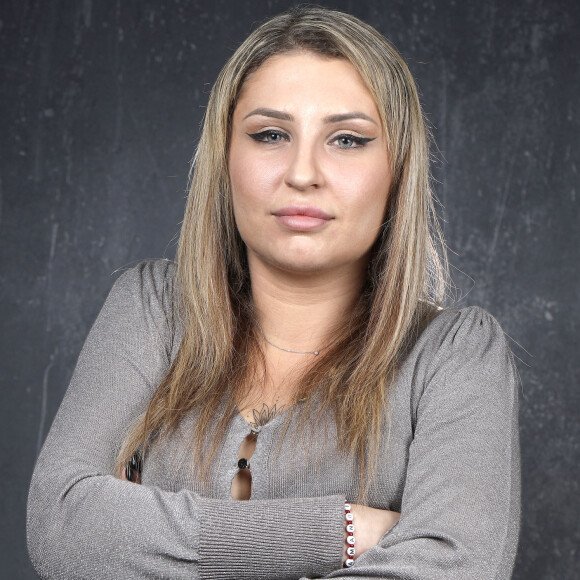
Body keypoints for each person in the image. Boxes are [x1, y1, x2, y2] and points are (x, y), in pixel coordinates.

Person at [27, 5, 520, 579]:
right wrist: (338, 532)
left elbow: (451, 569)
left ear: (398, 168)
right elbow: (62, 528)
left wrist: (142, 541)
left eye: (347, 139)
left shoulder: (457, 355)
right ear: (225, 158)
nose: (303, 172)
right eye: (270, 134)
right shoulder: (153, 309)